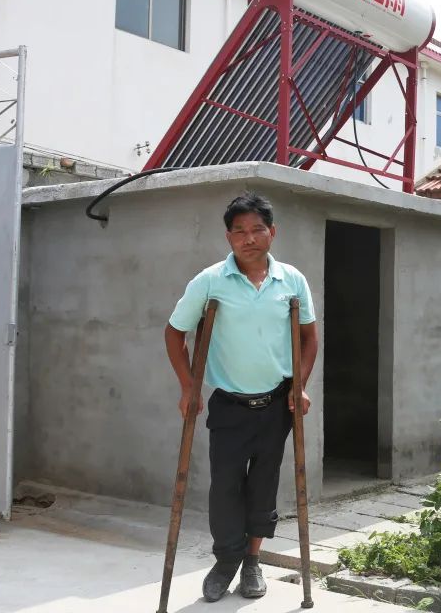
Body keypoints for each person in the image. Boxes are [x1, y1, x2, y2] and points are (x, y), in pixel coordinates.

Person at [165, 193, 318, 603]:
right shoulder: (210, 280)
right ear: (229, 236)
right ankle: (225, 561)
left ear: (272, 232)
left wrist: (299, 385)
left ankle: (252, 562)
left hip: (276, 405)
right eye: (240, 232)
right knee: (225, 488)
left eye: (257, 230)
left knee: (263, 486)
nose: (249, 238)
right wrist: (188, 386)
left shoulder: (292, 280)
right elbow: (175, 332)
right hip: (229, 405)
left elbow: (307, 337)